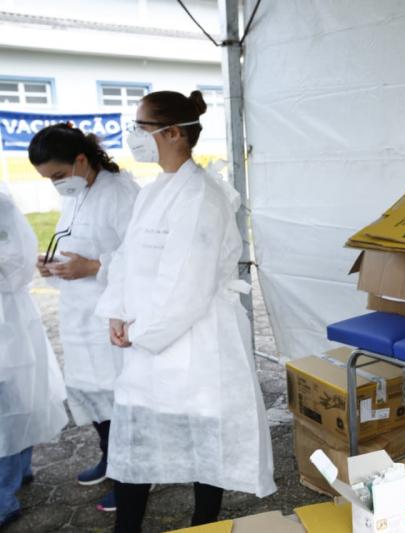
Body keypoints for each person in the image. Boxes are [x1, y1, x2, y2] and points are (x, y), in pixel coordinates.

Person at [95, 90, 276, 532]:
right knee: (136, 439)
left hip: (193, 340)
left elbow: (186, 286)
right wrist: (117, 312)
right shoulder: (155, 189)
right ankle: (128, 525)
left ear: (172, 133)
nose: (133, 136)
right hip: (146, 337)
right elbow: (126, 257)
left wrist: (141, 332)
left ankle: (203, 524)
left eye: (141, 127)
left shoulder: (201, 196)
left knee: (201, 440)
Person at [28, 124, 140, 512]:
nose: (55, 185)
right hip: (79, 313)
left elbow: (142, 255)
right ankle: (110, 457)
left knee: (120, 397)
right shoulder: (75, 192)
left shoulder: (121, 192)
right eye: (48, 180)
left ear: (81, 159)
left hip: (113, 312)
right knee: (93, 393)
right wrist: (53, 266)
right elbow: (74, 242)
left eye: (57, 176)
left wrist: (93, 266)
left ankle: (134, 477)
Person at [0, 188, 69, 528]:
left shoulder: (2, 205)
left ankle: (4, 496)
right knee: (11, 405)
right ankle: (16, 472)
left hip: (7, 321)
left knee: (11, 404)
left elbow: (18, 261)